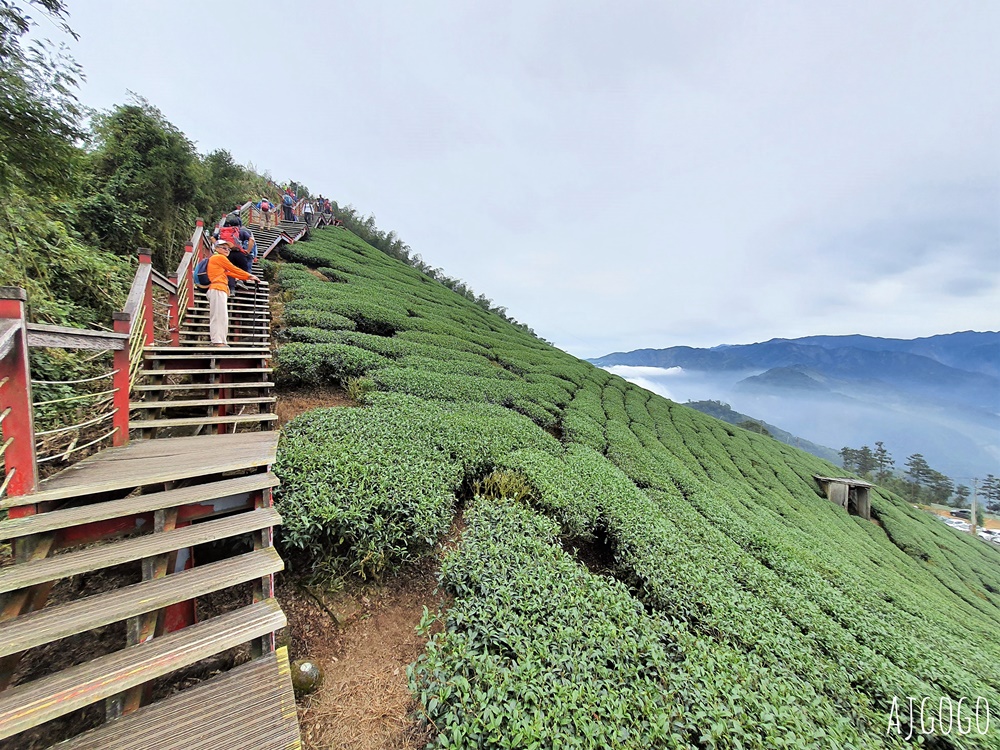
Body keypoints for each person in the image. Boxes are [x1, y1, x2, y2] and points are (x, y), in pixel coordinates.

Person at [207, 239, 260, 347]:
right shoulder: (219, 257)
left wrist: (248, 277)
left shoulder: (217, 261)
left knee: (222, 316)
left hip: (220, 289)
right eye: (224, 248)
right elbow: (233, 268)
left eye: (228, 249)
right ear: (216, 249)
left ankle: (221, 340)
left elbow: (231, 273)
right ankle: (217, 341)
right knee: (218, 315)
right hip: (217, 288)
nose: (227, 250)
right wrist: (249, 275)